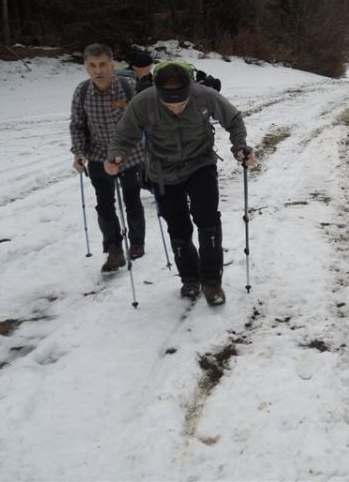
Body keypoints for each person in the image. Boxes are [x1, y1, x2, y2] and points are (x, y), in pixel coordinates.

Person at [104, 61, 256, 306]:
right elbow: (124, 135)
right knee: (178, 228)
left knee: (207, 222)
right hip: (162, 172)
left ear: (190, 90)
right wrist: (116, 156)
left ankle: (211, 282)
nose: (176, 108)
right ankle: (189, 279)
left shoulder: (204, 96)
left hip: (200, 164)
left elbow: (234, 120)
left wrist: (240, 147)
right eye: (169, 104)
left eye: (181, 103)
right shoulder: (143, 102)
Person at [70, 43, 146, 271]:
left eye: (102, 64)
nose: (98, 70)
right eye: (92, 65)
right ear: (85, 67)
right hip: (98, 156)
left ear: (112, 64)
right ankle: (113, 247)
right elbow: (77, 125)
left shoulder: (128, 87)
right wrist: (79, 152)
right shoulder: (82, 92)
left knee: (132, 199)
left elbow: (141, 121)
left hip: (130, 155)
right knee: (104, 204)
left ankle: (137, 242)